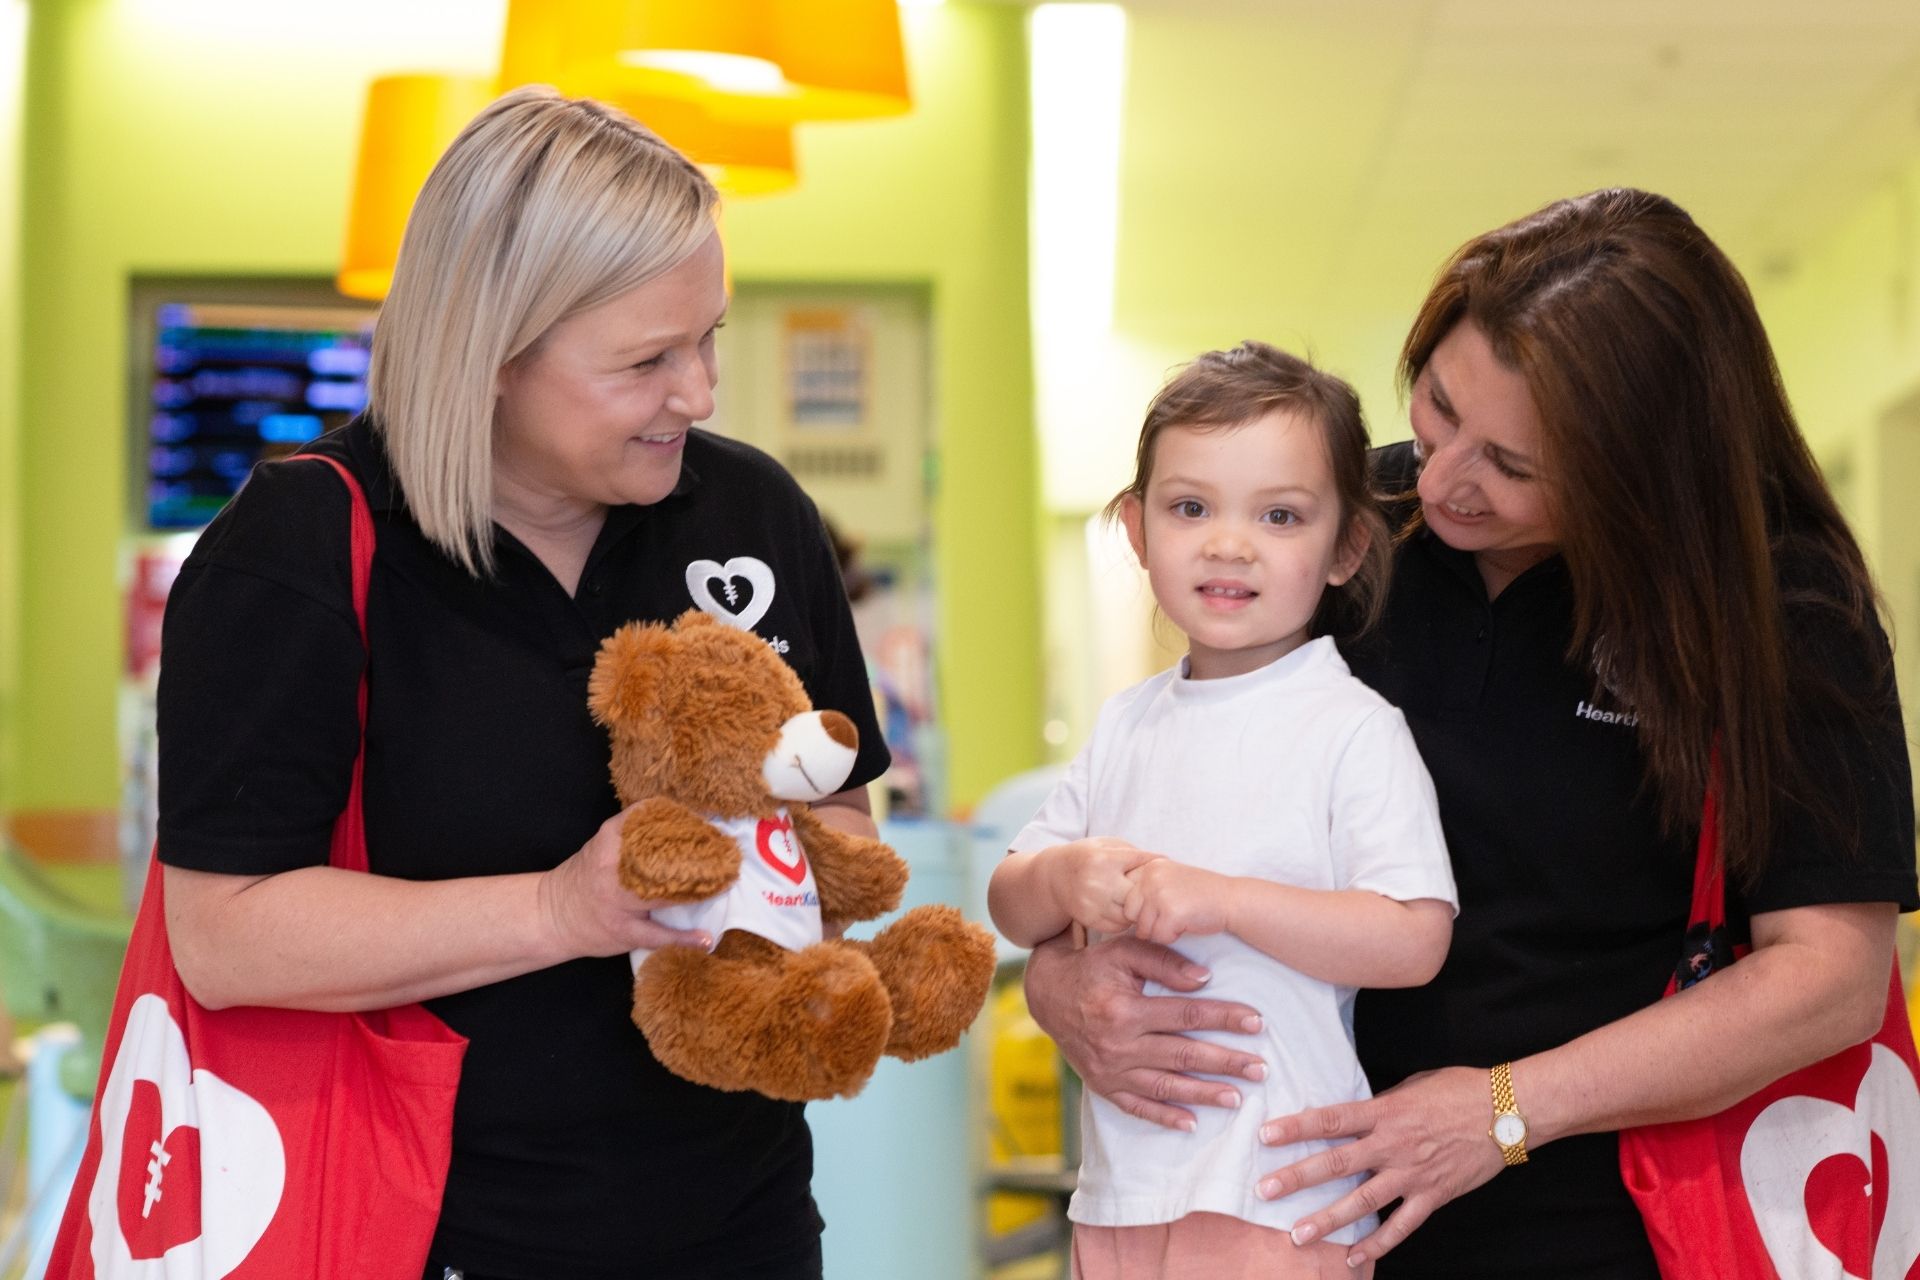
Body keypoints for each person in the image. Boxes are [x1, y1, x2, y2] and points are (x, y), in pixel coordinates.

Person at [1021, 188, 1919, 1279]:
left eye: (1515, 465)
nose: (1444, 478)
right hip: (1304, 1213)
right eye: (1440, 406)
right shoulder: (1357, 525)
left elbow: (1827, 974)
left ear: (1643, 477)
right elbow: (1179, 791)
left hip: (1623, 1211)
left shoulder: (1778, 603)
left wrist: (1503, 1110)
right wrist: (1061, 982)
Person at [156, 87, 890, 1279]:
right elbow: (225, 936)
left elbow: (845, 814)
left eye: (710, 338)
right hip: (419, 1229)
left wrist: (789, 866)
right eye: (648, 359)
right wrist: (562, 908)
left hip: (741, 1220)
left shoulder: (752, 512)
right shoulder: (298, 548)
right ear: (492, 353)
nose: (698, 393)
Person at [989, 343, 1458, 1279]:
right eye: (1190, 507)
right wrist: (1061, 876)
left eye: (1280, 515)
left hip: (1278, 1198)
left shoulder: (1351, 728)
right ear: (1135, 528)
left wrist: (1228, 900)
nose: (1228, 543)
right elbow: (1010, 904)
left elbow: (1414, 936)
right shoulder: (1127, 723)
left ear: (1346, 548)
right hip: (1122, 1191)